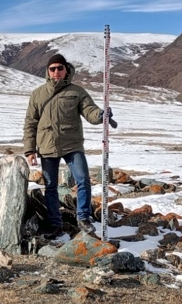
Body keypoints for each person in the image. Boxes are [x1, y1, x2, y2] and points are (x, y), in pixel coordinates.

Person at [23, 53, 115, 238]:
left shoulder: (77, 92)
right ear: (48, 72)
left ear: (66, 70)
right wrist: (30, 149)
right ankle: (55, 223)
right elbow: (30, 122)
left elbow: (89, 110)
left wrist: (99, 115)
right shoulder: (38, 94)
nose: (56, 72)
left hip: (72, 144)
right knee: (50, 186)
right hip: (47, 146)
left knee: (82, 180)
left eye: (60, 68)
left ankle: (83, 218)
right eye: (52, 69)